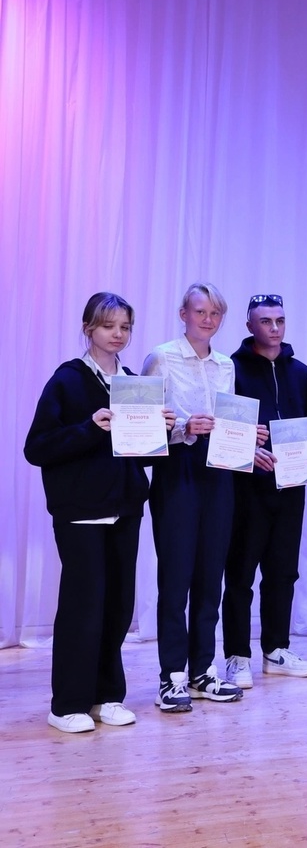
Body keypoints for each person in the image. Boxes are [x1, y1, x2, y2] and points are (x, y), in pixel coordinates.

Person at [24, 293, 175, 732]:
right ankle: (67, 704)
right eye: (109, 325)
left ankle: (106, 696)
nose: (118, 334)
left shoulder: (134, 384)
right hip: (80, 512)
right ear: (88, 328)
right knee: (83, 607)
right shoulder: (67, 380)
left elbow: (139, 455)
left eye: (125, 327)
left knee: (118, 607)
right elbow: (37, 448)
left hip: (125, 508)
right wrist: (89, 427)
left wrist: (162, 434)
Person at [143, 283, 247, 710]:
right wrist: (185, 429)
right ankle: (171, 677)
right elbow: (142, 424)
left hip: (219, 470)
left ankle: (203, 670)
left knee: (210, 576)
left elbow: (230, 419)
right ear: (183, 313)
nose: (208, 319)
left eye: (215, 313)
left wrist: (247, 438)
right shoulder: (161, 357)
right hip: (177, 470)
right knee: (176, 578)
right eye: (200, 311)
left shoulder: (226, 365)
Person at [221, 294, 307, 689]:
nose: (275, 328)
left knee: (283, 572)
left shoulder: (301, 372)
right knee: (241, 574)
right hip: (246, 489)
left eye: (280, 320)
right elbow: (226, 431)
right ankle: (237, 656)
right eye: (265, 321)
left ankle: (277, 650)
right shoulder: (232, 369)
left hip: (291, 487)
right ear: (250, 325)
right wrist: (249, 452)